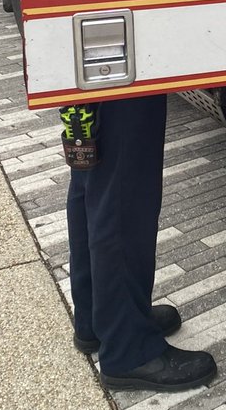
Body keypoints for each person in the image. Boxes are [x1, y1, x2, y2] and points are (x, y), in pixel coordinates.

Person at [65, 94, 217, 392]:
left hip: (88, 55)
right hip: (121, 59)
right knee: (125, 185)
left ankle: (98, 318)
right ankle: (129, 347)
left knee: (95, 171)